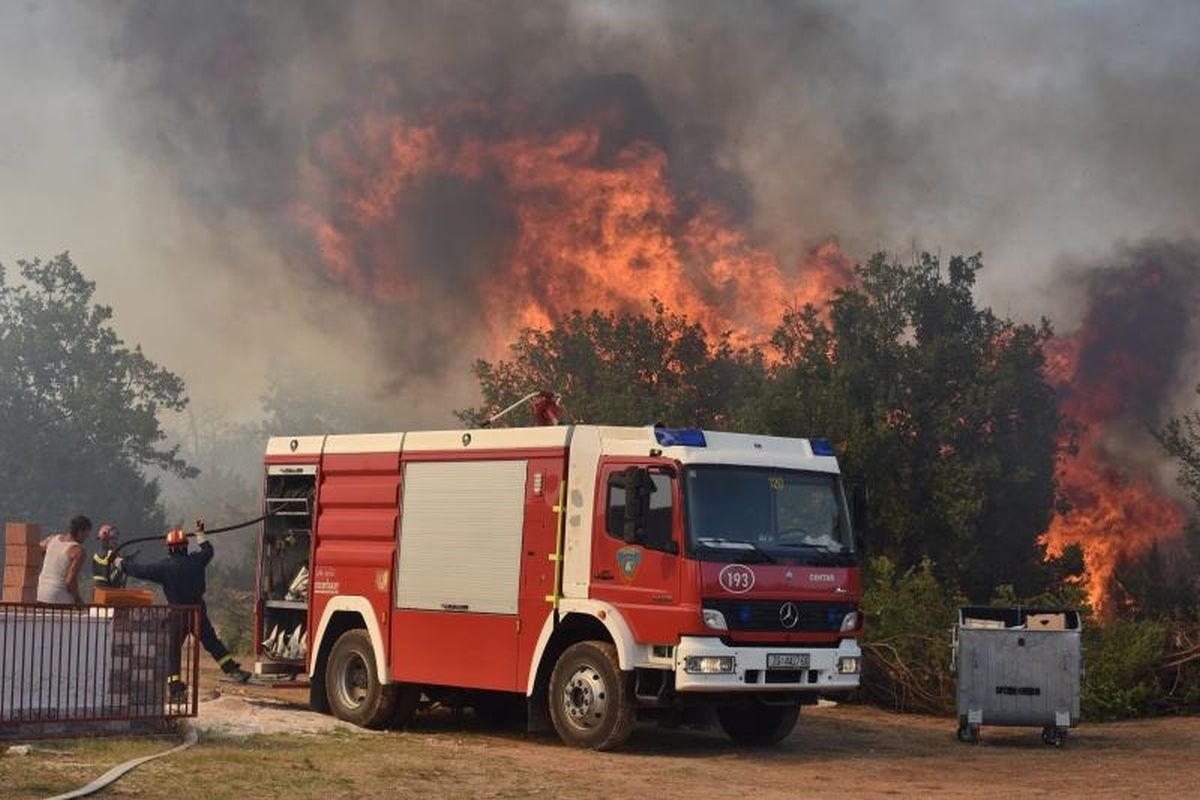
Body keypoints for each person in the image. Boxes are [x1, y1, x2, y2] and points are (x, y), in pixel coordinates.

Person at [122, 519, 251, 698]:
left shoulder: (163, 567)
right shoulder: (196, 561)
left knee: (173, 651)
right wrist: (200, 533)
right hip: (197, 611)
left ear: (169, 548)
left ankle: (175, 688)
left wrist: (121, 564)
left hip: (177, 613)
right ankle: (233, 671)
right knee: (212, 643)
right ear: (185, 546)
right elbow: (208, 551)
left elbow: (140, 570)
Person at [37, 515, 91, 605]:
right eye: (86, 534)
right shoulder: (78, 551)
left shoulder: (51, 539)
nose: (87, 537)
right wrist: (78, 600)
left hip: (39, 593)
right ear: (80, 531)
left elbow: (36, 548)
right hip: (58, 598)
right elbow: (70, 582)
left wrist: (47, 558)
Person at [92, 523, 126, 589]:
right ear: (105, 540)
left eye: (115, 539)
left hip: (98, 591)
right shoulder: (111, 554)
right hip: (109, 592)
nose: (115, 542)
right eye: (113, 539)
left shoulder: (97, 554)